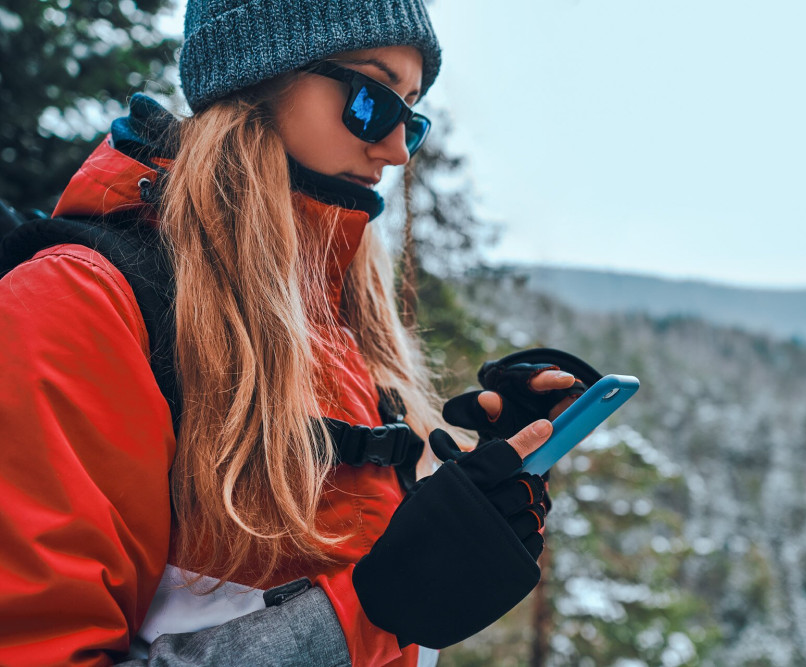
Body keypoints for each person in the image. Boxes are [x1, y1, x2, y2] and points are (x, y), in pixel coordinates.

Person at [0, 1, 592, 665]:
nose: (397, 149)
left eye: (413, 116)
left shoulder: (336, 319)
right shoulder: (80, 302)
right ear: (256, 78)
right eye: (373, 99)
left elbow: (325, 560)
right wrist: (375, 608)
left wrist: (475, 479)